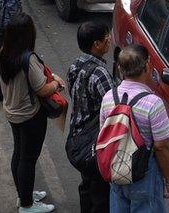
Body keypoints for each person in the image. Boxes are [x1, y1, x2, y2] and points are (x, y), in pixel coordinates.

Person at [0, 12, 62, 213]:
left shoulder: (4, 53)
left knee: (19, 153)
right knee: (28, 158)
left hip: (12, 112)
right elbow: (42, 89)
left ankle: (23, 195)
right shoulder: (28, 58)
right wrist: (56, 84)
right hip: (30, 115)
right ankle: (27, 205)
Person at [100, 45, 169, 211]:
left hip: (117, 169)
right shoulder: (153, 103)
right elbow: (161, 147)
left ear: (120, 69)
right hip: (145, 175)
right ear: (147, 66)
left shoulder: (108, 98)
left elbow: (103, 135)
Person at [67, 22, 113, 213]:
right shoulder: (100, 73)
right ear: (97, 44)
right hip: (94, 143)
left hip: (76, 137)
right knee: (100, 191)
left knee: (87, 183)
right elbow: (113, 109)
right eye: (106, 37)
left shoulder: (75, 65)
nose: (109, 40)